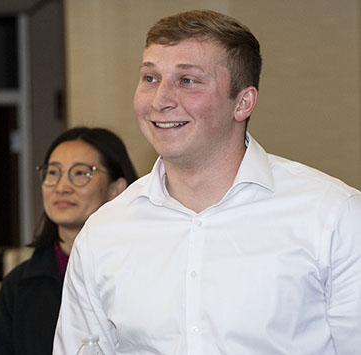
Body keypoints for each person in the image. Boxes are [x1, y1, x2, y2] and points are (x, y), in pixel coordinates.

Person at [54, 9, 361, 355]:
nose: (160, 100)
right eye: (150, 78)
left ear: (243, 102)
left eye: (187, 80)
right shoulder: (104, 232)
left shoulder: (334, 216)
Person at [0, 127, 138, 355]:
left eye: (80, 173)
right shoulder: (18, 285)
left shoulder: (142, 271)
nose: (62, 187)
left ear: (116, 189)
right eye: (53, 172)